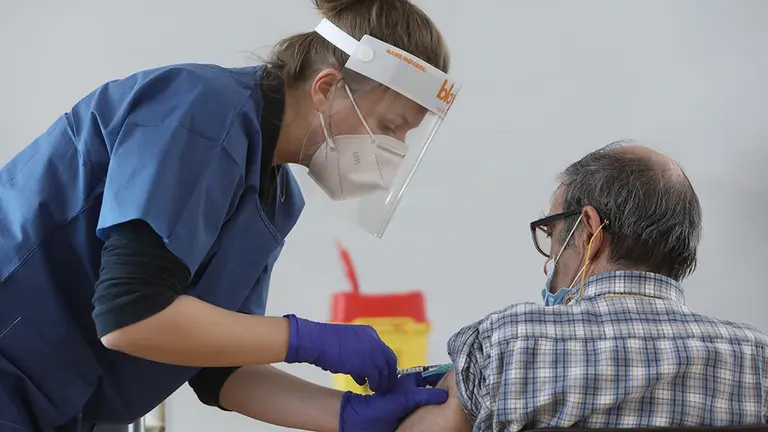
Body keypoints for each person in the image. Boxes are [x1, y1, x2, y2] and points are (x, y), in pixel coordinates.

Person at [0, 0, 461, 430]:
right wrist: (308, 339)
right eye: (389, 127)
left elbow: (219, 371)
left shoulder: (275, 200)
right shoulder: (199, 116)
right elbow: (130, 315)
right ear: (326, 88)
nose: (393, 151)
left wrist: (349, 415)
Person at [396, 142, 768, 432]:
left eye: (555, 234)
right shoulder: (759, 361)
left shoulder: (506, 345)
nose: (550, 259)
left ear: (590, 229)